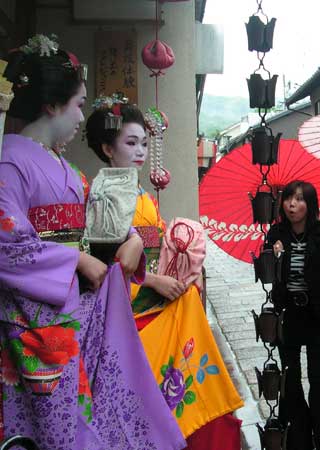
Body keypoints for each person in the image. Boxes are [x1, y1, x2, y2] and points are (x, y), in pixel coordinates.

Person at [0, 35, 185, 448]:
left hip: (75, 310)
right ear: (53, 105)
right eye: (79, 104)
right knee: (54, 432)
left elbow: (102, 224)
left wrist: (131, 240)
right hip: (37, 320)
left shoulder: (66, 169)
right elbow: (6, 243)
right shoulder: (9, 160)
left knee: (96, 418)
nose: (81, 116)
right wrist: (77, 262)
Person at [85, 98, 243, 448]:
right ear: (107, 148)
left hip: (152, 299)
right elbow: (105, 262)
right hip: (131, 310)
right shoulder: (104, 193)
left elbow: (156, 247)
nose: (140, 151)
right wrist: (154, 279)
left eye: (144, 143)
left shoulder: (139, 192)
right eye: (130, 143)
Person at [266, 180, 320, 450]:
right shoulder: (276, 233)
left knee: (317, 376)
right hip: (287, 314)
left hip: (319, 313)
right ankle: (298, 439)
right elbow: (267, 274)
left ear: (310, 204)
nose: (292, 204)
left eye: (300, 199)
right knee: (290, 377)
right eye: (288, 198)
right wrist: (275, 257)